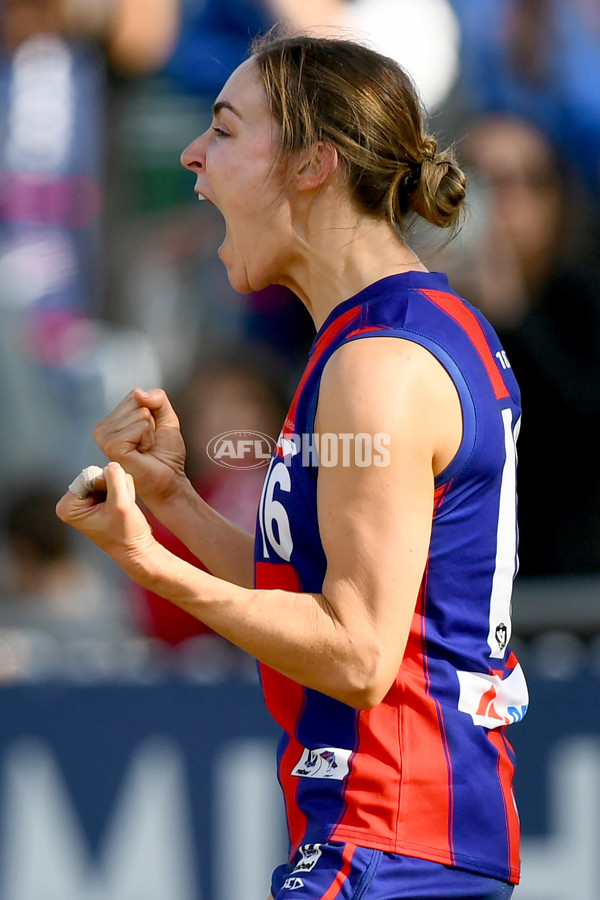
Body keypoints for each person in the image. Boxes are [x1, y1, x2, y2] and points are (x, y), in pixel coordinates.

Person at [56, 33, 527, 900]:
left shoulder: (378, 361)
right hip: (408, 839)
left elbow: (356, 656)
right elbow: (311, 587)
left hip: (389, 841)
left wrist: (147, 560)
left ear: (314, 163)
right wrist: (180, 504)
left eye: (226, 131)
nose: (195, 154)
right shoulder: (390, 330)